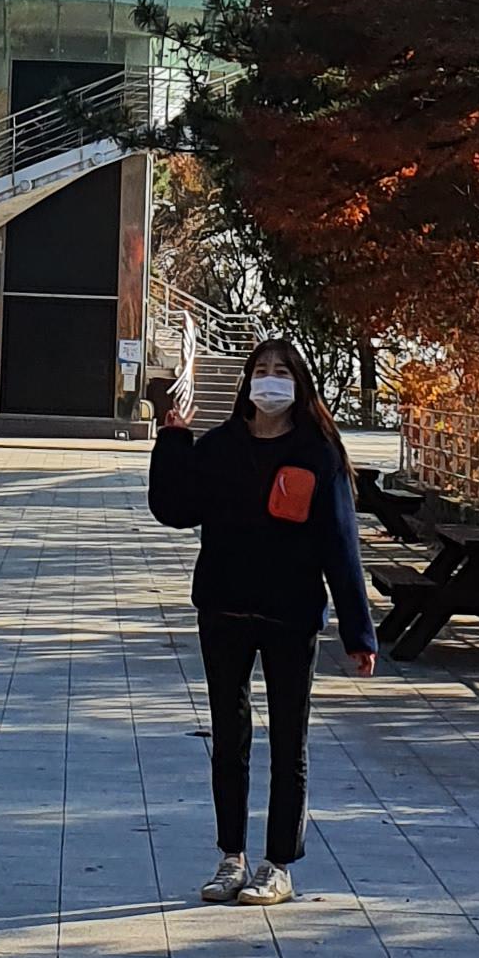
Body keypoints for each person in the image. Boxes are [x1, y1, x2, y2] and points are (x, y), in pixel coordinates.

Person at [147, 336, 377, 906]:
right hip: (223, 609)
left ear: (300, 385)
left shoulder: (319, 453)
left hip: (291, 615)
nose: (270, 380)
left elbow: (341, 547)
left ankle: (278, 863)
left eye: (282, 371)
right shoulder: (222, 446)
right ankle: (232, 856)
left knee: (287, 741)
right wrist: (173, 439)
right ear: (247, 382)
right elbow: (173, 509)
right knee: (229, 738)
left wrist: (358, 632)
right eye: (262, 370)